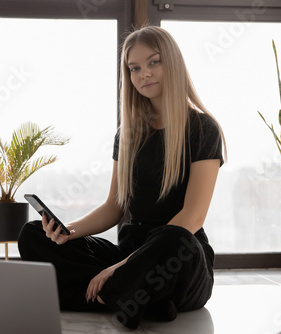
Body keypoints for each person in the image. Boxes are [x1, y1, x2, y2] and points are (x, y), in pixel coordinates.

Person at [18, 25, 226, 329]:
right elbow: (114, 207)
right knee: (33, 234)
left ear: (173, 63)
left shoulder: (204, 130)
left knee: (175, 239)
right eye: (134, 68)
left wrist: (122, 267)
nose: (144, 74)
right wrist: (68, 231)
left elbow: (193, 217)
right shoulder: (127, 135)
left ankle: (105, 294)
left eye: (154, 62)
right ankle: (136, 299)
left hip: (175, 258)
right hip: (129, 255)